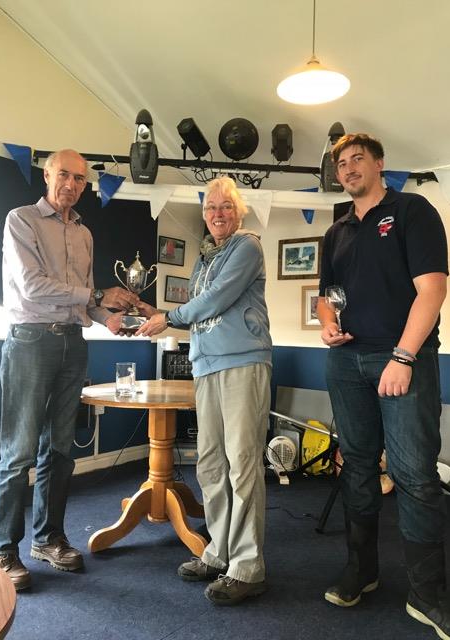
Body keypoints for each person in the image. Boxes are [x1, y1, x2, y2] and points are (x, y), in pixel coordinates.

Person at [317, 133, 450, 639]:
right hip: (345, 362)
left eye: (358, 159)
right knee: (355, 465)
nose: (349, 168)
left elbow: (432, 289)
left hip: (403, 360)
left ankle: (428, 594)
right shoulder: (337, 232)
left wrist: (403, 355)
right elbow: (326, 295)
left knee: (414, 473)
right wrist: (327, 321)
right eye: (342, 163)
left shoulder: (413, 210)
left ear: (379, 164)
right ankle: (362, 571)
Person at [0, 149, 138, 591]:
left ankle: (48, 539)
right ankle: (1, 549)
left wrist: (106, 318)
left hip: (74, 343)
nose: (71, 184)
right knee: (18, 452)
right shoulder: (21, 220)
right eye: (63, 175)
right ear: (46, 176)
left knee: (60, 450)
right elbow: (33, 286)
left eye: (79, 178)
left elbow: (80, 302)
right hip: (30, 341)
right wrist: (96, 297)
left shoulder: (86, 234)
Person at [135, 176, 272, 606]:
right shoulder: (202, 257)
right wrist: (157, 315)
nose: (217, 214)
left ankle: (248, 567)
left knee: (243, 463)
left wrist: (167, 317)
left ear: (239, 211)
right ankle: (219, 553)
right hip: (206, 367)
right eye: (211, 207)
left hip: (243, 363)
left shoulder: (247, 246)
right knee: (210, 464)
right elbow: (201, 305)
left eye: (226, 207)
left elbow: (214, 300)